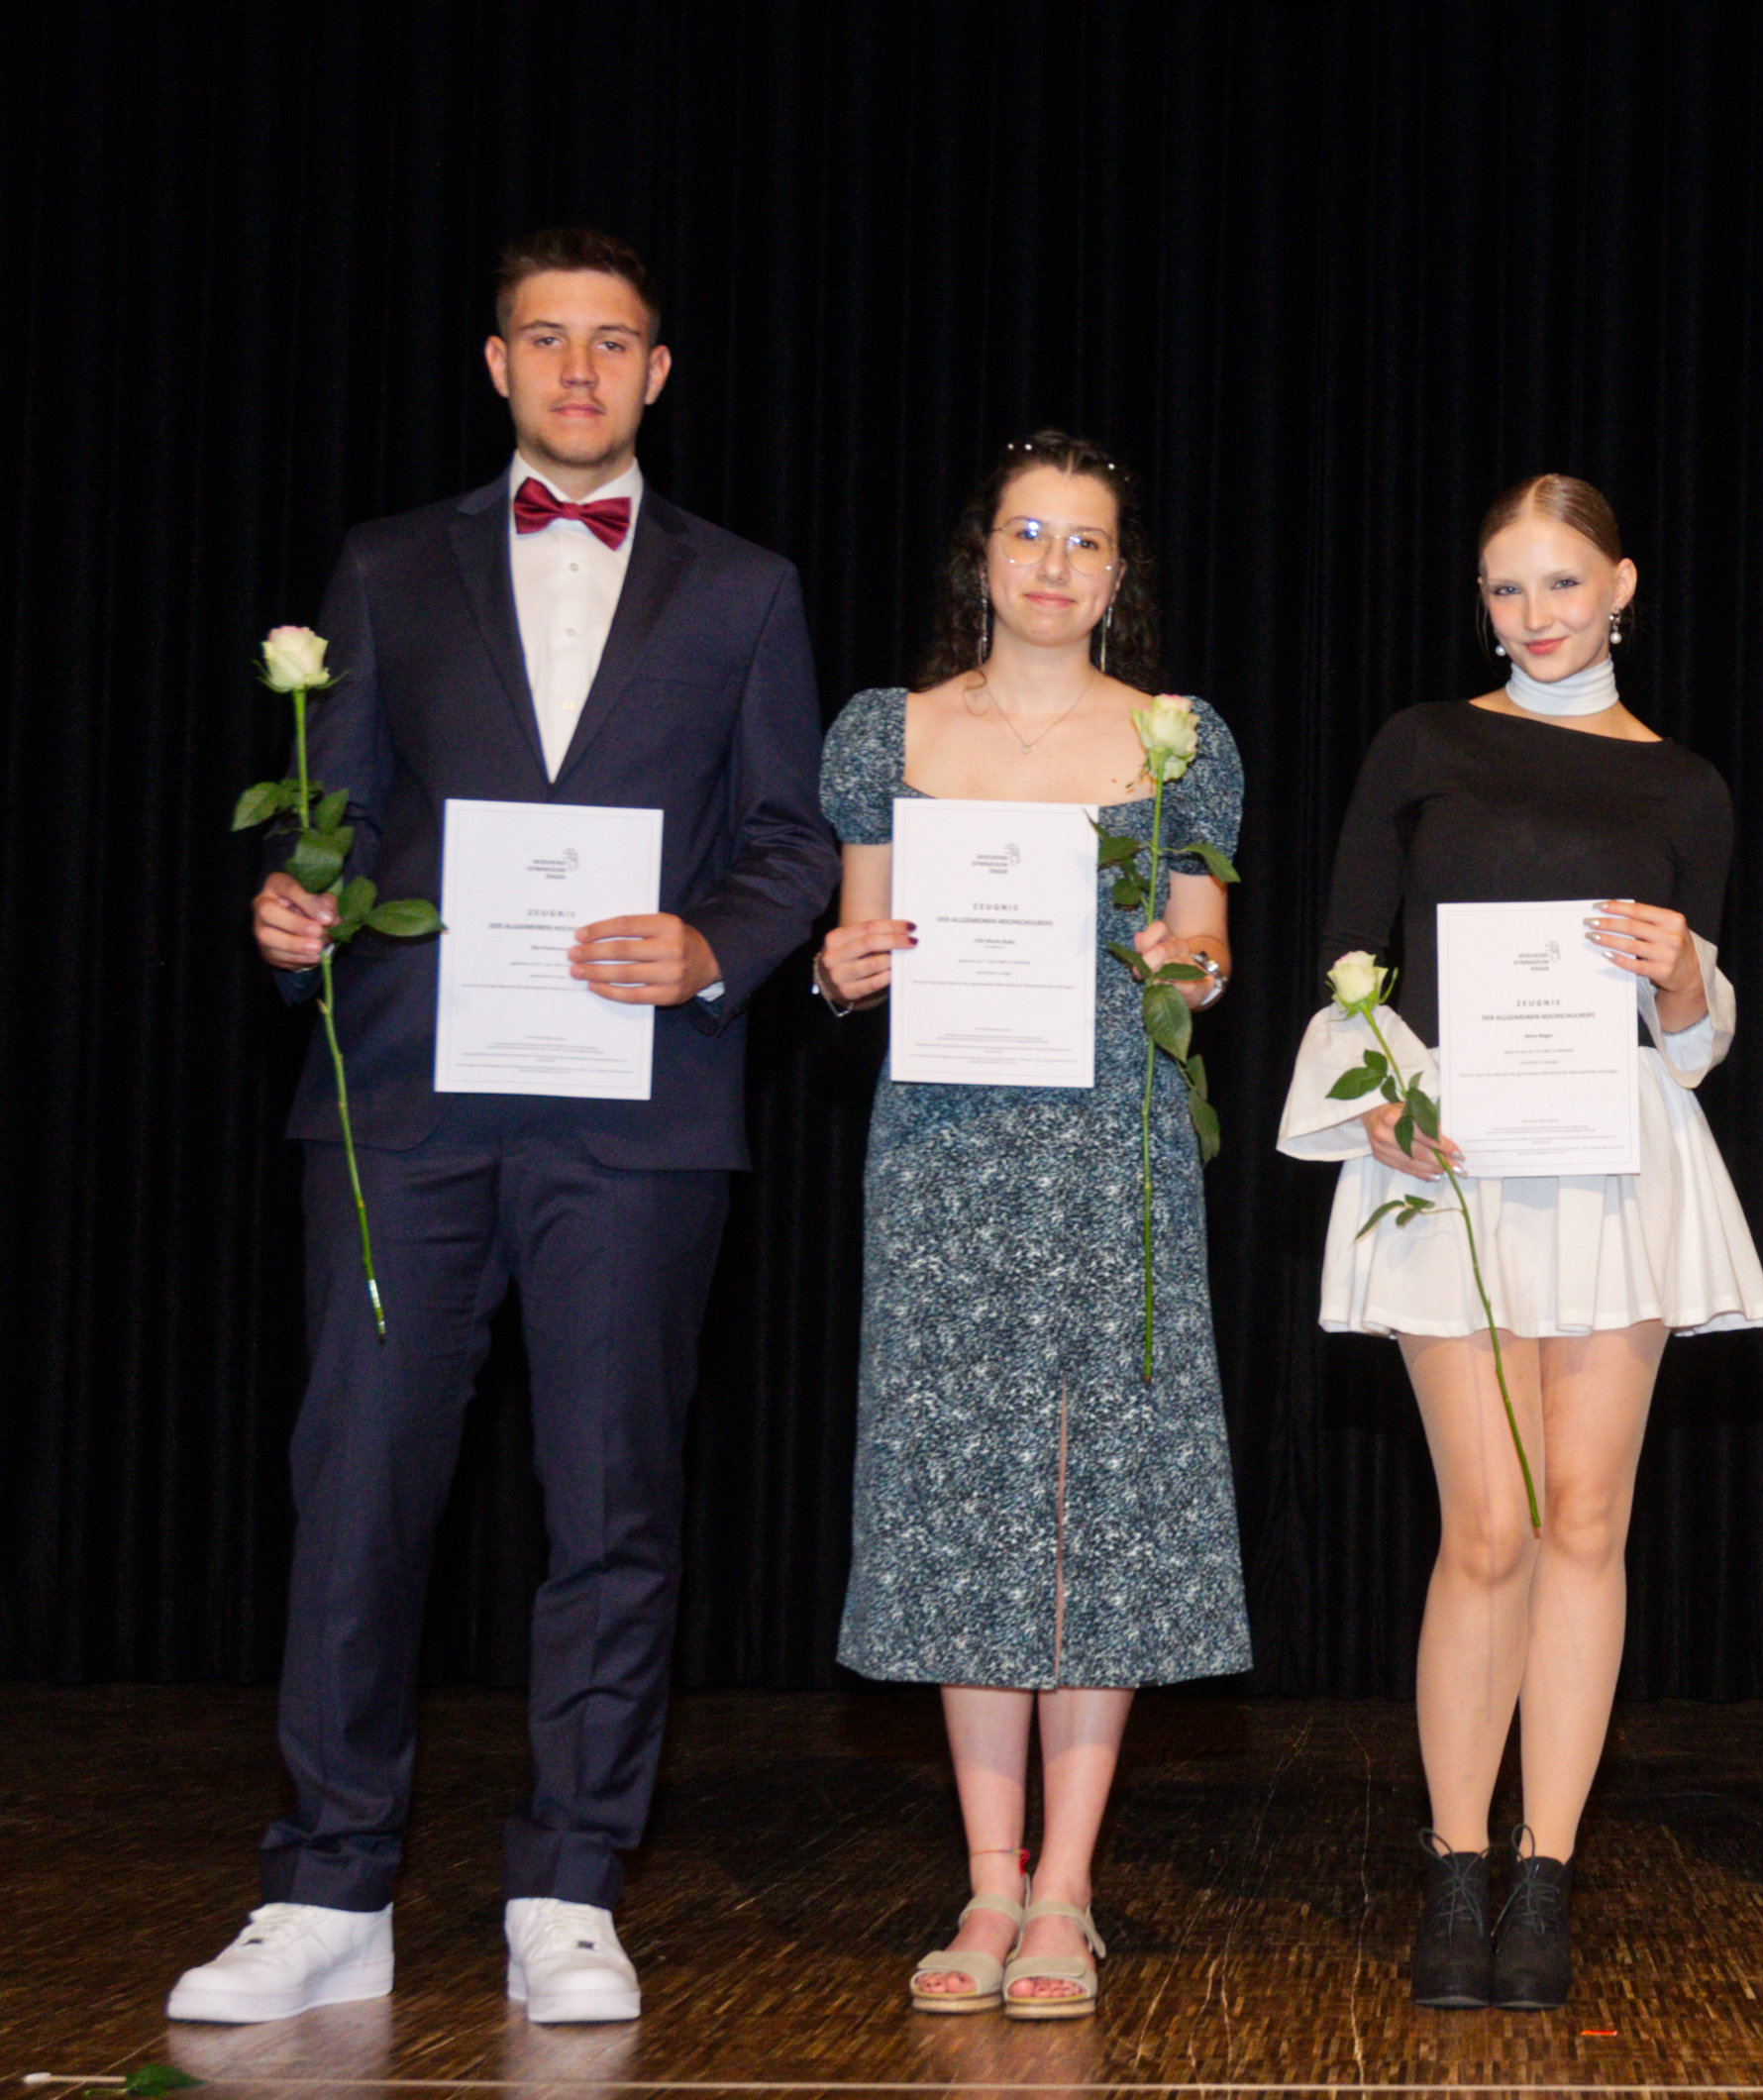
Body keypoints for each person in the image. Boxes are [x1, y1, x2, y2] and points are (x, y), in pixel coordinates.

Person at [173, 229, 836, 2026]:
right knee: (357, 1486)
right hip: (405, 1103)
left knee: (612, 1501)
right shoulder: (389, 566)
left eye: (612, 342)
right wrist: (291, 906)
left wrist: (715, 944)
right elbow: (332, 812)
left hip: (637, 1114)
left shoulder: (746, 588)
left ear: (658, 373)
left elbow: (791, 837)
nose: (579, 369)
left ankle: (570, 1883)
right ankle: (327, 1886)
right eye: (547, 338)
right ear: (496, 363)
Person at [1279, 474, 1763, 2013]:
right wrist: (1374, 1094)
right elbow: (1352, 957)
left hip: (1616, 1162)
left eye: (1563, 583)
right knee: (1488, 1525)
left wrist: (1683, 975)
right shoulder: (1423, 743)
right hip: (1459, 1157)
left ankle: (1545, 1872)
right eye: (1508, 587)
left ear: (1622, 586)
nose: (1536, 613)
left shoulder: (1687, 784)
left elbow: (1692, 1041)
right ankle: (1454, 1861)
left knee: (1586, 1518)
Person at [813, 432, 1252, 2019]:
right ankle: (986, 1883)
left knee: (1100, 1501)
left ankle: (1066, 1885)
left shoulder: (1178, 739)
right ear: (982, 557)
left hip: (1115, 1156)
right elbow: (859, 937)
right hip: (945, 1158)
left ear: (1120, 574)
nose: (1054, 566)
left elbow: (1205, 947)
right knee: (964, 1501)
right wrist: (841, 971)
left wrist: (1193, 967)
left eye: (1085, 542)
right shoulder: (890, 732)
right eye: (1028, 535)